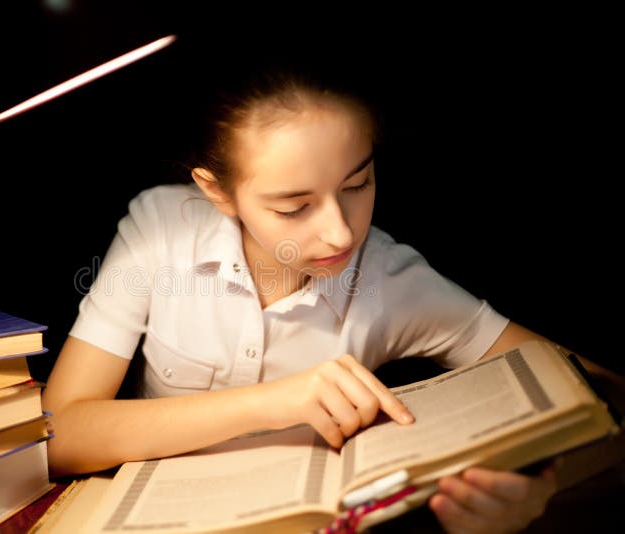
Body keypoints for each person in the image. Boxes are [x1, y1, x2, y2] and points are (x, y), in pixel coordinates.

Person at [41, 61, 611, 533]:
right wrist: (275, 402)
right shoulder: (161, 227)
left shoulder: (392, 280)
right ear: (218, 193)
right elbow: (60, 433)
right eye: (294, 207)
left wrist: (534, 494)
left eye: (358, 184)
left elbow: (595, 398)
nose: (341, 233)